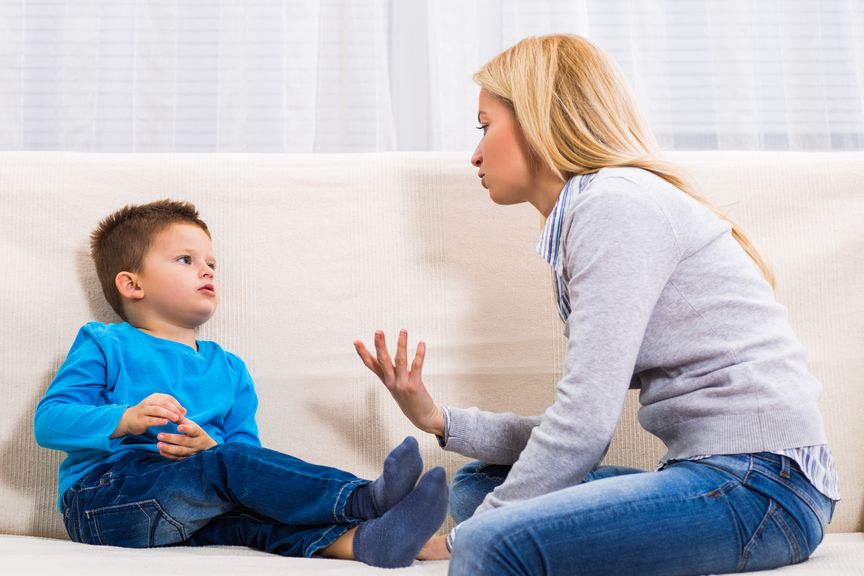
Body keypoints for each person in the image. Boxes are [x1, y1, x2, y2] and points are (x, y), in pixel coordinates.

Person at [356, 34, 840, 575]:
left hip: (761, 487)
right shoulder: (597, 209)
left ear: (539, 119)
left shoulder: (615, 207)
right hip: (734, 476)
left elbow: (585, 424)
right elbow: (574, 421)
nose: (474, 152)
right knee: (480, 483)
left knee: (488, 541)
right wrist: (439, 418)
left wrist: (465, 538)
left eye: (484, 125)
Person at [34, 199, 448, 569]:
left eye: (211, 264)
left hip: (191, 513)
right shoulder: (105, 342)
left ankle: (370, 543)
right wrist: (125, 418)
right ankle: (361, 500)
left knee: (255, 516)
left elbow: (248, 459)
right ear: (132, 284)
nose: (206, 270)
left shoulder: (230, 369)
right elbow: (49, 421)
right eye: (185, 259)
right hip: (105, 504)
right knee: (230, 464)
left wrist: (209, 451)